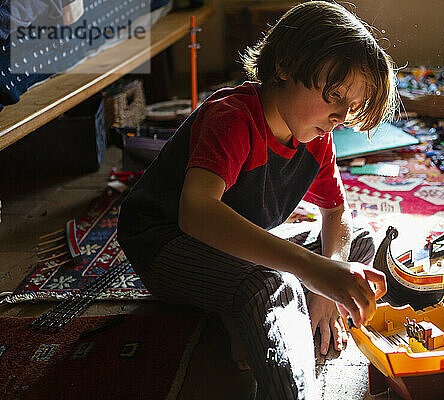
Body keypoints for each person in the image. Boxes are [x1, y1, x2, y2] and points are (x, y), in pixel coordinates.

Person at [117, 1, 397, 398]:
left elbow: (337, 212)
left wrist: (324, 285)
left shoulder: (316, 137)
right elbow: (195, 213)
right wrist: (312, 271)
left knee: (359, 244)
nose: (339, 116)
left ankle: (243, 317)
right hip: (167, 245)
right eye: (333, 94)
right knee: (272, 281)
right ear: (284, 65)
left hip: (231, 252)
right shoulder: (232, 117)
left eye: (349, 108)